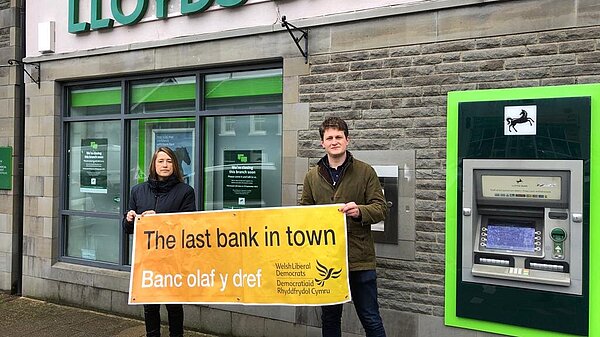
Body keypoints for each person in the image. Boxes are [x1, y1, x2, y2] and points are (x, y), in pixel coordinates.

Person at [300, 117, 388, 337]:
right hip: (327, 261)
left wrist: (360, 211)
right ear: (322, 143)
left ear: (347, 140)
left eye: (339, 137)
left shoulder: (365, 171)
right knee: (329, 319)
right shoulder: (312, 176)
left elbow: (381, 209)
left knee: (370, 318)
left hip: (360, 259)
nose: (334, 141)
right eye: (329, 137)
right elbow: (304, 214)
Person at [122, 146, 196, 337]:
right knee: (150, 307)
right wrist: (128, 219)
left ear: (175, 165)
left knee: (174, 307)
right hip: (148, 260)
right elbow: (129, 230)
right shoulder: (138, 191)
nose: (165, 165)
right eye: (161, 161)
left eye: (169, 161)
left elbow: (188, 226)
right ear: (153, 165)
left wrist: (158, 217)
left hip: (173, 260)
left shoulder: (185, 191)